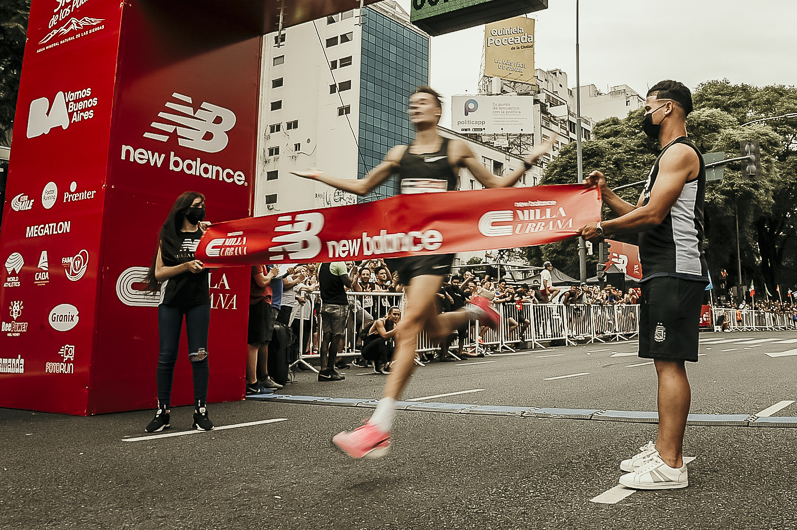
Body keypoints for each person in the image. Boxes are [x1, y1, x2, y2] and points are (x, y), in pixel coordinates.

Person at [294, 85, 555, 458]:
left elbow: (496, 186)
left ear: (438, 112)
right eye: (412, 103)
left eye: (424, 103)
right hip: (404, 249)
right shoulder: (400, 153)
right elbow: (364, 186)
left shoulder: (456, 150)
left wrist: (530, 158)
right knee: (431, 326)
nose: (416, 107)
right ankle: (476, 312)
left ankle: (378, 428)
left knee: (412, 321)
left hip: (437, 245)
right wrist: (321, 176)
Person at [580, 79, 706, 491]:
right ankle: (664, 446)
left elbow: (651, 216)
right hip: (660, 268)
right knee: (663, 361)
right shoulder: (664, 159)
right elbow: (641, 220)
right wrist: (607, 195)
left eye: (648, 104)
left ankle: (671, 463)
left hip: (675, 269)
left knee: (670, 362)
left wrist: (601, 227)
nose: (644, 113)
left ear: (667, 108)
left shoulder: (681, 153)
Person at [143, 192, 215, 432]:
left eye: (203, 206)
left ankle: (200, 411)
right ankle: (162, 412)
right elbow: (159, 273)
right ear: (184, 209)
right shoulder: (168, 235)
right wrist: (185, 266)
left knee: (199, 356)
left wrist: (210, 236)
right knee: (166, 357)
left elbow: (219, 259)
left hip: (199, 301)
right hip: (171, 301)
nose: (201, 210)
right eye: (197, 206)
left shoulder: (206, 234)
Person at [317, 261, 355, 381]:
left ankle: (323, 369)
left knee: (326, 337)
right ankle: (331, 369)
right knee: (336, 337)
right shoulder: (339, 264)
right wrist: (354, 273)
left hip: (326, 304)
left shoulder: (321, 265)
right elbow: (349, 283)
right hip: (338, 305)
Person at [247, 264, 281, 393]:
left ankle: (257, 379)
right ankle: (253, 382)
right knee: (254, 343)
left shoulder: (259, 262)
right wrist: (272, 273)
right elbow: (261, 281)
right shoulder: (256, 262)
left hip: (262, 301)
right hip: (258, 301)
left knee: (259, 342)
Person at [360, 307, 401, 374]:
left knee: (395, 348)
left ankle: (385, 365)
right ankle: (385, 364)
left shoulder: (394, 326)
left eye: (398, 315)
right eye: (394, 314)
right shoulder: (380, 322)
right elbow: (384, 335)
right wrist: (396, 330)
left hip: (379, 351)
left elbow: (398, 343)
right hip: (367, 351)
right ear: (389, 314)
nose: (396, 316)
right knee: (381, 340)